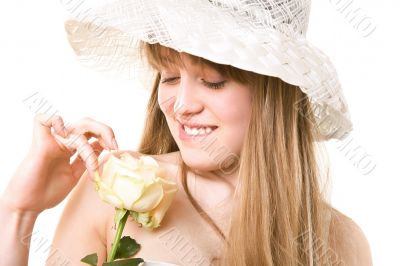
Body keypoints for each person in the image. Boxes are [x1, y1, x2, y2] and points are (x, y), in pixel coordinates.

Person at [0, 0, 373, 265]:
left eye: (212, 82)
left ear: (274, 94)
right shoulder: (117, 190)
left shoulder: (339, 242)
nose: (180, 105)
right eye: (170, 77)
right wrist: (18, 211)